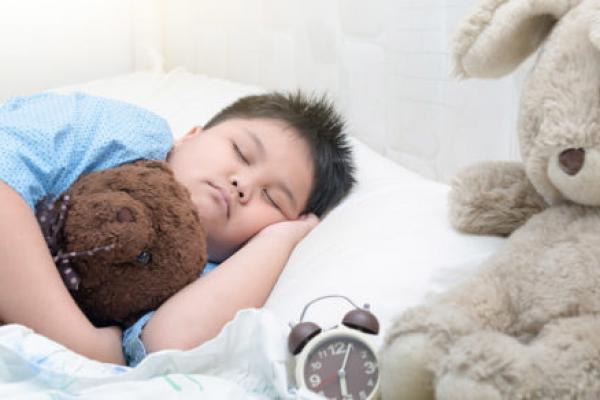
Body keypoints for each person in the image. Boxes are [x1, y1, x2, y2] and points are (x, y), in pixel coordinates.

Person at [0, 90, 355, 366]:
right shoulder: (128, 135)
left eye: (273, 199)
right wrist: (83, 343)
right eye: (241, 152)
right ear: (190, 136)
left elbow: (164, 345)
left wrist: (279, 241)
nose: (242, 184)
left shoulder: (206, 272)